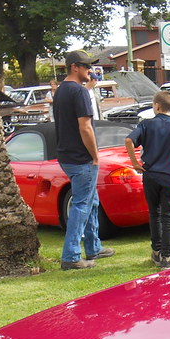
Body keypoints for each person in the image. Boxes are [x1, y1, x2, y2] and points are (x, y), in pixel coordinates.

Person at [52, 50, 114, 270]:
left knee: (91, 200)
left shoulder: (61, 91)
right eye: (87, 67)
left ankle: (94, 246)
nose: (91, 70)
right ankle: (71, 256)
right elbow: (84, 126)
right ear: (74, 67)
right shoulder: (78, 92)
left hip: (66, 155)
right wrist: (95, 155)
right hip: (81, 158)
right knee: (81, 204)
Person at [124, 91, 170, 270]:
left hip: (150, 174)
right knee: (168, 217)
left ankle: (156, 250)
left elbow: (129, 140)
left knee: (154, 213)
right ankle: (167, 257)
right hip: (169, 175)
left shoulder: (146, 124)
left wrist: (134, 162)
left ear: (157, 106)